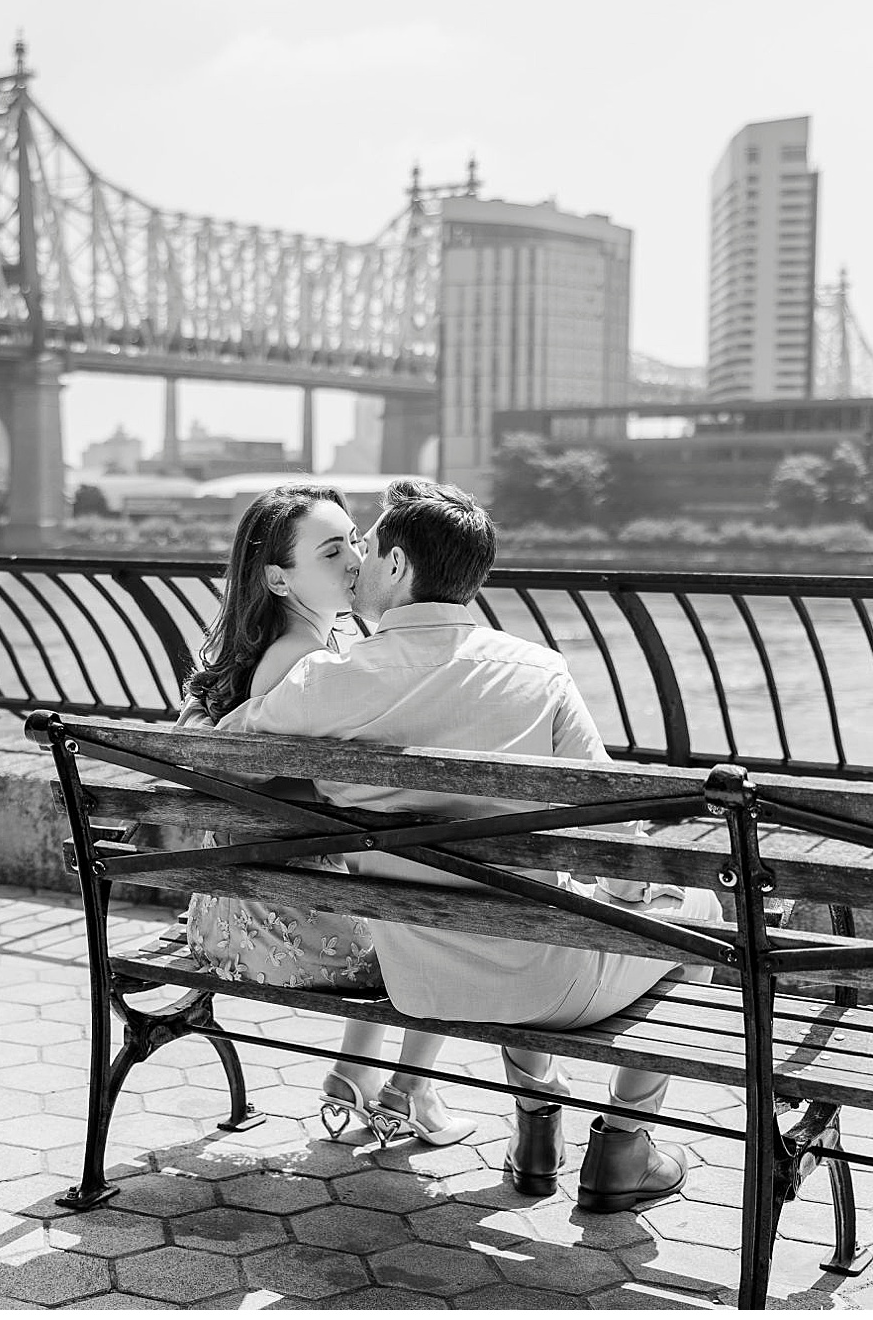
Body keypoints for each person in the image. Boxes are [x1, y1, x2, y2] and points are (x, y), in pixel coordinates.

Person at [236, 479, 725, 1212]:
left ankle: (538, 1126)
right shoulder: (537, 673)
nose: (361, 559)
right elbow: (618, 828)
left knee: (519, 915)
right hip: (544, 982)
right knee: (699, 916)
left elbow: (224, 749)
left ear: (399, 567)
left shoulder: (324, 682)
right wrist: (633, 907)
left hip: (417, 980)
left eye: (371, 547)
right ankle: (624, 1146)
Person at [179, 483, 475, 1149]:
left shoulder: (275, 653)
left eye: (358, 543)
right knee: (452, 922)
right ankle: (410, 1090)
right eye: (332, 548)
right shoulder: (311, 664)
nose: (355, 560)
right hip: (281, 932)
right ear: (278, 577)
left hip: (231, 913)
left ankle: (356, 1075)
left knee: (397, 894)